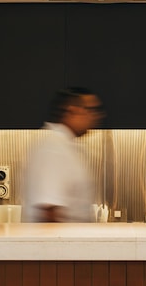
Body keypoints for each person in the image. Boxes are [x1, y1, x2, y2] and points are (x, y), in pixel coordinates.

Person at [23, 87, 105, 222]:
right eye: (91, 110)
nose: (97, 116)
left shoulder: (65, 146)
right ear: (72, 111)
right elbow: (49, 212)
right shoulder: (54, 149)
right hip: (62, 235)